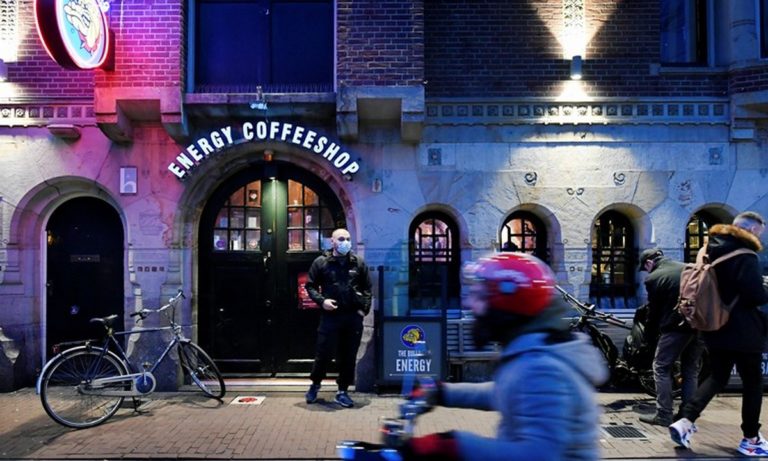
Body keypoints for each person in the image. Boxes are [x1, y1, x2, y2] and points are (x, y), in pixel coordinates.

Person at [400, 252, 609, 461]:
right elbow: (508, 392)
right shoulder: (534, 350)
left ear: (509, 302)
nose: (470, 304)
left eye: (481, 296)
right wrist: (442, 392)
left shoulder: (543, 367)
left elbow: (538, 455)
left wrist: (452, 445)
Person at [669, 211, 768, 456]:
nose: (760, 238)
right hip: (744, 330)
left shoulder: (709, 250)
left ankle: (685, 420)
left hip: (713, 325)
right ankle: (751, 439)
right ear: (751, 230)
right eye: (759, 233)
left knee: (717, 376)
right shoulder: (745, 255)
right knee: (753, 383)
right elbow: (755, 295)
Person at [304, 228, 372, 408]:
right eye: (341, 239)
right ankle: (315, 385)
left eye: (348, 239)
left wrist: (363, 310)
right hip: (330, 317)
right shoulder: (321, 262)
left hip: (352, 317)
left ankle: (342, 391)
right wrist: (322, 301)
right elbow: (310, 286)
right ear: (332, 242)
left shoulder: (358, 262)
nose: (345, 242)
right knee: (323, 354)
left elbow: (367, 288)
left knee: (348, 356)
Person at [637, 248, 704, 426]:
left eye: (645, 268)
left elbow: (653, 313)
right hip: (698, 324)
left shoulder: (654, 278)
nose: (646, 272)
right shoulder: (687, 267)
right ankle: (687, 415)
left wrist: (648, 339)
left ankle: (664, 414)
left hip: (675, 327)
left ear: (649, 263)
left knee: (661, 367)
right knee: (690, 369)